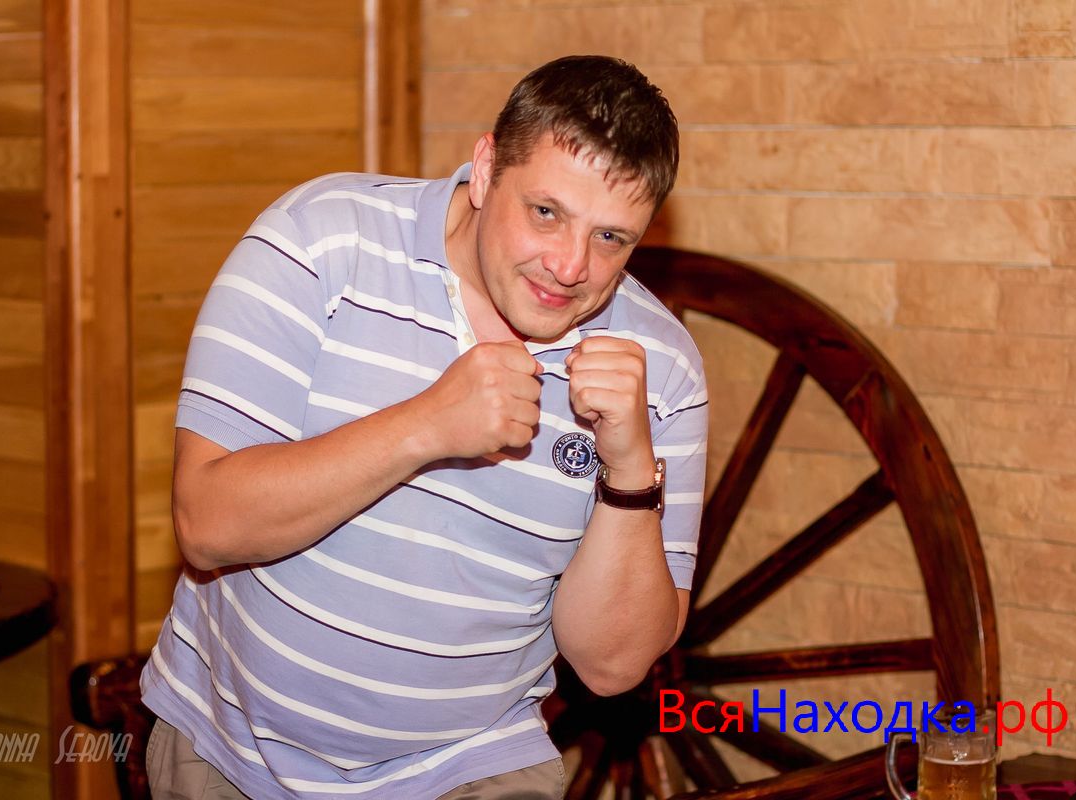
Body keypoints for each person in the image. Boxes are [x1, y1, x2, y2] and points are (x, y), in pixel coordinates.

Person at [140, 54, 709, 799]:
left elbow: (611, 667)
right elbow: (207, 524)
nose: (571, 266)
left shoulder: (663, 370)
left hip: (471, 767)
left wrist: (629, 473)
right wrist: (426, 426)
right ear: (485, 169)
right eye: (546, 212)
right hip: (226, 748)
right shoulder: (319, 239)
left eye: (611, 238)